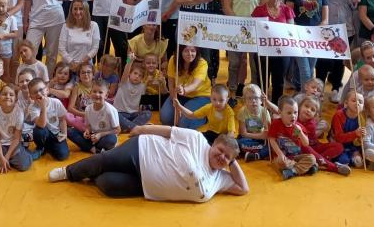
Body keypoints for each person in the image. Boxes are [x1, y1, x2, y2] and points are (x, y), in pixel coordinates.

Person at [47, 125, 247, 202]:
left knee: (108, 185)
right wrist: (142, 129)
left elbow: (243, 188)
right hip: (143, 151)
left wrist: (232, 161)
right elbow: (169, 131)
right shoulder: (197, 140)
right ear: (214, 144)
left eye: (227, 157)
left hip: (146, 186)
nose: (222, 157)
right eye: (221, 150)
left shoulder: (220, 179)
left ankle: (92, 172)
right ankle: (69, 172)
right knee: (106, 160)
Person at [222, 0, 266, 97]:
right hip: (236, 28)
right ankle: (232, 91)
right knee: (234, 63)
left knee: (255, 64)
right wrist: (237, 25)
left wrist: (254, 25)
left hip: (255, 29)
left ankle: (254, 93)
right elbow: (226, 5)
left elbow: (263, 7)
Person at [319, 0, 359, 102]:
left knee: (339, 61)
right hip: (326, 27)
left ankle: (336, 88)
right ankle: (319, 89)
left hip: (344, 27)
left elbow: (353, 6)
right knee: (323, 61)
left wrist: (355, 2)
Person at [286, 0, 329, 90]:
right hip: (299, 36)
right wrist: (297, 31)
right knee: (305, 70)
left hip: (315, 38)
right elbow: (289, 17)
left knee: (310, 69)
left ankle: (300, 92)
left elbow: (325, 20)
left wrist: (316, 31)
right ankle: (307, 97)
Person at [252, 0, 295, 104]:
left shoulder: (287, 10)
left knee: (279, 83)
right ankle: (261, 107)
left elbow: (291, 32)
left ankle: (276, 108)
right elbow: (253, 31)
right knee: (262, 82)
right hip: (263, 52)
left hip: (282, 53)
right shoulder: (258, 10)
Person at [268, 96, 320, 180]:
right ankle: (305, 169)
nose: (293, 116)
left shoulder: (298, 127)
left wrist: (300, 133)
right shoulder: (276, 124)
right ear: (280, 112)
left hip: (296, 156)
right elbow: (271, 139)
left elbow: (306, 143)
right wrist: (280, 154)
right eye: (289, 113)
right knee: (279, 163)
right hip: (283, 157)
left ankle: (293, 171)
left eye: (295, 112)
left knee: (312, 158)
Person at [160, 45, 212, 128]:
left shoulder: (202, 63)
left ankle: (205, 115)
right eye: (186, 51)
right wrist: (175, 102)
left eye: (193, 51)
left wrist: (183, 90)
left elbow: (194, 85)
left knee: (184, 124)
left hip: (200, 96)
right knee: (166, 119)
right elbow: (171, 84)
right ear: (180, 51)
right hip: (179, 95)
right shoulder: (173, 59)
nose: (190, 54)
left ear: (197, 51)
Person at [67, 79, 120, 153]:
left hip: (105, 137)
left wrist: (100, 134)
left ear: (106, 95)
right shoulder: (88, 109)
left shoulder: (110, 110)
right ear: (90, 93)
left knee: (111, 139)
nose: (97, 94)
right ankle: (95, 149)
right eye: (94, 91)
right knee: (70, 131)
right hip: (93, 136)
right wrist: (87, 132)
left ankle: (90, 147)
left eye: (100, 92)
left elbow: (117, 130)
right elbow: (89, 126)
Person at [28, 78, 70, 161]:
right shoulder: (32, 108)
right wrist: (43, 107)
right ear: (31, 97)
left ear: (47, 90)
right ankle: (40, 147)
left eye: (41, 90)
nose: (38, 93)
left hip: (56, 133)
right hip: (44, 133)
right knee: (39, 130)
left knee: (63, 155)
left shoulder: (56, 102)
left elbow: (62, 120)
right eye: (35, 92)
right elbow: (41, 125)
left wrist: (64, 134)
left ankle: (48, 147)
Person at [59, 0, 100, 73]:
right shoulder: (65, 26)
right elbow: (61, 49)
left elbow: (95, 48)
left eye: (81, 9)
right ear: (71, 11)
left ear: (86, 10)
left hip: (86, 67)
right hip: (68, 67)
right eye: (75, 9)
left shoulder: (94, 25)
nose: (78, 12)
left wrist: (80, 64)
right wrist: (72, 63)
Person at [113, 55, 151, 132]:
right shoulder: (124, 82)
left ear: (142, 78)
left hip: (133, 114)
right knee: (114, 115)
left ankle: (127, 127)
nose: (137, 76)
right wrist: (129, 61)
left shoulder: (142, 86)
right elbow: (126, 70)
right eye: (135, 73)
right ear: (130, 74)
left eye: (140, 75)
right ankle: (135, 127)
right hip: (120, 113)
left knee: (148, 113)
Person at [237, 84, 272, 161]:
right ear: (244, 101)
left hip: (261, 139)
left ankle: (256, 155)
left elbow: (268, 132)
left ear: (261, 100)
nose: (253, 101)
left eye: (256, 98)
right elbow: (243, 133)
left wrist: (263, 136)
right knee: (237, 142)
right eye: (249, 98)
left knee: (271, 144)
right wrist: (260, 136)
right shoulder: (242, 112)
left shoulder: (264, 111)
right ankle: (257, 152)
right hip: (248, 138)